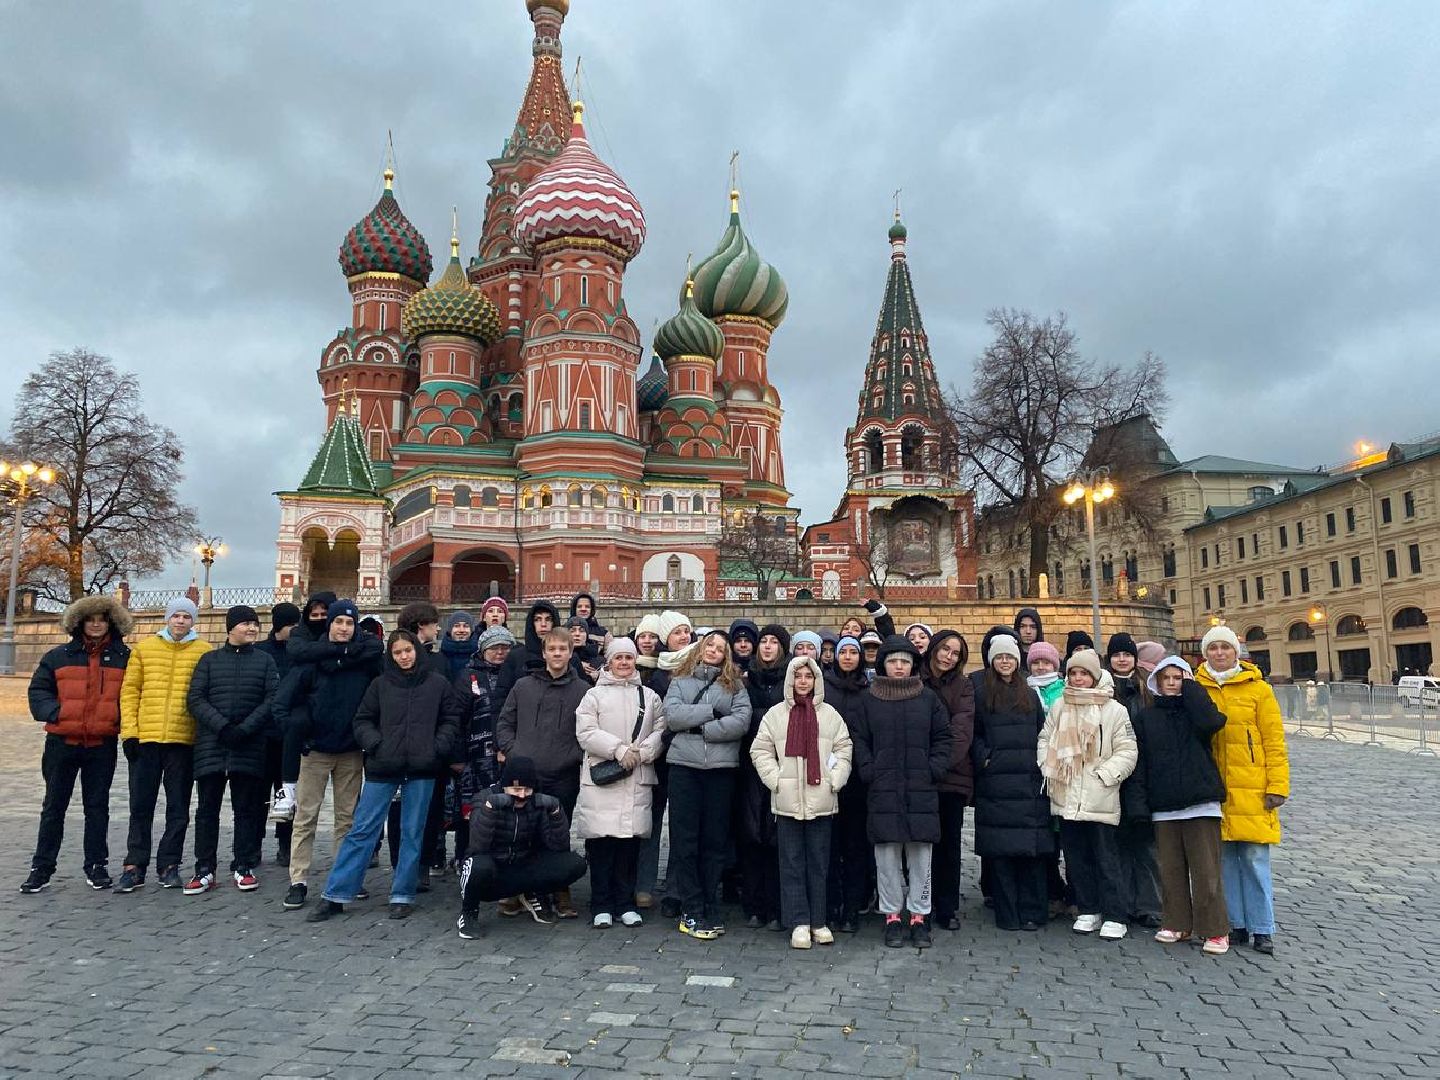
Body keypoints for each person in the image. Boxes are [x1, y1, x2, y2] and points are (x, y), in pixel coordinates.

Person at [308, 629, 462, 921]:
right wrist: (376, 744)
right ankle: (337, 893)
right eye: (397, 653)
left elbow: (450, 720)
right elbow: (363, 720)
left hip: (422, 767)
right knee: (362, 830)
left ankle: (402, 892)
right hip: (383, 766)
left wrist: (436, 748)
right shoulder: (380, 685)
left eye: (408, 650)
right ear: (390, 656)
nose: (404, 657)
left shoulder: (437, 684)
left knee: (412, 832)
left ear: (416, 650)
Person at [273, 598, 382, 910]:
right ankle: (299, 880)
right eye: (338, 622)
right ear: (330, 625)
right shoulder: (310, 661)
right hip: (315, 751)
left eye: (349, 623)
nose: (344, 628)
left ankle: (344, 878)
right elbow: (282, 704)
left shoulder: (364, 659)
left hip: (350, 751)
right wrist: (298, 735)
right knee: (305, 817)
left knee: (347, 820)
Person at [21, 594, 134, 894]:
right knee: (53, 807)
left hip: (101, 744)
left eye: (101, 619)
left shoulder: (125, 658)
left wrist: (117, 720)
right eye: (90, 619)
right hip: (62, 741)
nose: (96, 624)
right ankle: (41, 867)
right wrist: (57, 714)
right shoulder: (58, 656)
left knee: (97, 807)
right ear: (80, 623)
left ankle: (96, 865)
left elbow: (135, 694)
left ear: (110, 623)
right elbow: (38, 691)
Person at [1194, 625, 1289, 956]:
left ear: (1236, 652)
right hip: (1213, 786)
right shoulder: (1196, 687)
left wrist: (1277, 786)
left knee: (1253, 858)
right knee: (1225, 861)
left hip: (1251, 785)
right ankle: (1234, 923)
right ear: (1205, 654)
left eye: (1225, 648)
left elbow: (1274, 741)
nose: (1219, 653)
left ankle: (1262, 927)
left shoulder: (1259, 690)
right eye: (1213, 648)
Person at [852, 635, 951, 949]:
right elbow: (859, 741)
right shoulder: (869, 700)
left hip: (921, 789)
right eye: (893, 661)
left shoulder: (928, 699)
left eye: (905, 662)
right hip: (883, 790)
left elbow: (943, 740)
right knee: (887, 857)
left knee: (922, 857)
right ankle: (892, 916)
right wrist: (869, 769)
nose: (898, 666)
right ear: (883, 664)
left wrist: (933, 769)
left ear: (913, 666)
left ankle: (920, 916)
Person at [749, 656, 851, 948]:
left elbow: (844, 749)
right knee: (791, 863)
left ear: (816, 680)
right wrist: (776, 779)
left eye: (809, 676)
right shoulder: (776, 714)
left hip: (821, 800)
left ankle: (818, 920)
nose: (803, 681)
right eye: (798, 676)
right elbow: (761, 750)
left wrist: (835, 779)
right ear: (790, 680)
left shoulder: (830, 714)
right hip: (788, 801)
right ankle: (798, 921)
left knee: (819, 863)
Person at [1037, 648, 1138, 940]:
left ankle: (1115, 914)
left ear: (1094, 677)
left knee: (1107, 859)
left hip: (1100, 795)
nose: (1078, 679)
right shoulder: (1060, 706)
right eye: (1073, 674)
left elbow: (1127, 750)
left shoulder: (1114, 709)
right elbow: (1045, 738)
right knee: (1076, 858)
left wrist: (1106, 776)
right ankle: (1088, 909)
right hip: (1067, 793)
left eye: (1084, 674)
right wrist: (1048, 766)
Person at [1132, 656, 1230, 954]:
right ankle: (1177, 923)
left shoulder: (1196, 711)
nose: (1172, 683)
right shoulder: (1147, 717)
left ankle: (1214, 930)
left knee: (1206, 871)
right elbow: (1141, 763)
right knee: (1171, 871)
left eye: (1178, 678)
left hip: (1200, 801)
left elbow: (1214, 722)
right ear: (1157, 682)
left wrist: (1193, 690)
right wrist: (1140, 804)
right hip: (1164, 804)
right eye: (1167, 678)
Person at [115, 597, 212, 893]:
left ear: (193, 621)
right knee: (140, 805)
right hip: (146, 739)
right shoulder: (145, 649)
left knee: (178, 808)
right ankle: (134, 865)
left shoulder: (204, 652)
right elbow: (130, 692)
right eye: (176, 616)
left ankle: (169, 864)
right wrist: (129, 733)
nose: (180, 621)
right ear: (167, 619)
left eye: (186, 616)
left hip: (183, 741)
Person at [184, 606, 278, 894]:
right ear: (230, 628)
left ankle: (243, 864)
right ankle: (204, 868)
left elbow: (272, 700)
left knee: (246, 808)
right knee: (207, 810)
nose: (252, 629)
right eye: (246, 624)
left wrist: (245, 729)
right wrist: (223, 727)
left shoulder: (264, 661)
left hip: (248, 746)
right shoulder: (209, 660)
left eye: (255, 624)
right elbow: (196, 699)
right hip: (213, 745)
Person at [664, 630, 751, 940]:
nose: (715, 650)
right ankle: (691, 905)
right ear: (699, 649)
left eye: (721, 647)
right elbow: (672, 716)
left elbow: (741, 721)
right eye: (710, 645)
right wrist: (712, 713)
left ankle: (709, 900)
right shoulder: (680, 680)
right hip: (684, 768)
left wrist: (702, 729)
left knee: (714, 842)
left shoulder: (735, 684)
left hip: (720, 769)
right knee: (685, 841)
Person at [573, 638, 666, 928]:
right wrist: (617, 749)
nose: (624, 663)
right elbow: (586, 732)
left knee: (629, 845)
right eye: (618, 658)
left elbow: (661, 729)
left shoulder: (649, 696)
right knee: (602, 844)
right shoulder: (593, 696)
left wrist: (642, 752)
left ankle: (625, 902)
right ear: (609, 661)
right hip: (604, 777)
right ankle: (601, 902)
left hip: (636, 777)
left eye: (629, 657)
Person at [496, 628, 588, 918]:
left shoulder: (583, 690)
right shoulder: (523, 686)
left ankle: (559, 890)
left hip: (563, 774)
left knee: (557, 834)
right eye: (553, 648)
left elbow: (588, 732)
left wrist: (571, 757)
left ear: (571, 653)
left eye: (563, 648)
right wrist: (515, 753)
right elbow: (504, 723)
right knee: (520, 833)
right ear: (544, 652)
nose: (558, 653)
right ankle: (518, 889)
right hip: (525, 775)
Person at [456, 756, 589, 938]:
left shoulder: (536, 803)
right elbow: (477, 846)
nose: (521, 795)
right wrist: (489, 810)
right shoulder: (484, 799)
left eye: (527, 789)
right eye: (516, 789)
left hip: (522, 865)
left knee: (574, 863)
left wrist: (556, 812)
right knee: (478, 865)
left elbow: (559, 847)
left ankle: (533, 893)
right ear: (504, 787)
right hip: (492, 872)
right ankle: (469, 913)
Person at [972, 633, 1052, 931]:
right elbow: (974, 733)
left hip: (1029, 779)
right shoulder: (981, 693)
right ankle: (1007, 913)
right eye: (1000, 657)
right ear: (992, 661)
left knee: (1031, 853)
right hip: (996, 781)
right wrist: (984, 758)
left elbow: (1042, 731)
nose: (1005, 662)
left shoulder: (1029, 694)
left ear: (1017, 661)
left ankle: (1032, 911)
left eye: (1009, 657)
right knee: (1002, 853)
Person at [637, 609, 694, 914]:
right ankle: (643, 884)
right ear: (665, 639)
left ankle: (676, 887)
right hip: (659, 757)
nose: (683, 637)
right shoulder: (654, 672)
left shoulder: (699, 667)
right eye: (677, 633)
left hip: (687, 756)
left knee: (682, 826)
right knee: (651, 821)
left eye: (686, 631)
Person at [1105, 632, 1163, 929]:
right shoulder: (1102, 688)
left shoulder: (1149, 690)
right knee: (1118, 844)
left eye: (1126, 654)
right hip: (1112, 775)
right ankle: (1123, 902)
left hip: (1145, 774)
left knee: (1147, 845)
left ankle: (1151, 905)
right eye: (1117, 654)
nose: (1122, 659)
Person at [921, 630, 974, 931]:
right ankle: (922, 903)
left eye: (955, 653)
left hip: (951, 776)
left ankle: (947, 906)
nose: (948, 657)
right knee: (921, 844)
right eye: (944, 650)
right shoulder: (917, 678)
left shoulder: (963, 687)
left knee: (950, 845)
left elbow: (961, 731)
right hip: (921, 774)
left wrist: (937, 765)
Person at [738, 623, 788, 930]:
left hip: (783, 766)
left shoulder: (790, 679)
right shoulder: (746, 680)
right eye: (764, 641)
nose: (767, 646)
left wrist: (760, 718)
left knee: (777, 838)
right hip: (748, 766)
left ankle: (777, 905)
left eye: (774, 642)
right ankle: (754, 905)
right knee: (751, 835)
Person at [823, 635, 872, 933]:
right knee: (829, 845)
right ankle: (830, 905)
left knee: (855, 847)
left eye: (855, 652)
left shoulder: (870, 689)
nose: (849, 657)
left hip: (858, 778)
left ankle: (852, 907)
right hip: (827, 775)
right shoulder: (823, 686)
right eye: (845, 652)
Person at [454, 625, 514, 864]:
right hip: (474, 756)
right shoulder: (468, 675)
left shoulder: (515, 674)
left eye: (505, 647)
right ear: (483, 650)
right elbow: (455, 717)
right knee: (472, 809)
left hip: (506, 754)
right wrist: (456, 756)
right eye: (494, 648)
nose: (500, 652)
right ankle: (466, 857)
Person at [256, 602, 301, 862]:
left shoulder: (300, 652)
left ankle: (285, 842)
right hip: (264, 733)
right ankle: (254, 843)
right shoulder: (261, 652)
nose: (295, 631)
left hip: (291, 735)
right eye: (291, 626)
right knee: (258, 792)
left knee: (287, 791)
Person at [497, 600, 561, 703]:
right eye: (538, 619)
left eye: (548, 619)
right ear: (531, 623)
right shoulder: (515, 657)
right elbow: (501, 697)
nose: (543, 624)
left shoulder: (568, 657)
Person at [1025, 641, 1065, 712]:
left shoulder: (1065, 690)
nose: (1040, 667)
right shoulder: (1023, 690)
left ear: (1054, 667)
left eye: (1046, 663)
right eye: (1035, 663)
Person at [569, 591, 609, 661]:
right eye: (579, 606)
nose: (583, 609)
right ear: (574, 609)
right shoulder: (563, 631)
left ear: (592, 610)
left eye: (587, 606)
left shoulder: (604, 634)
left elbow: (611, 659)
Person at [439, 610, 478, 679]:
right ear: (450, 630)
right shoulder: (439, 658)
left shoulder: (479, 657)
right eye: (457, 626)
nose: (461, 630)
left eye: (466, 626)